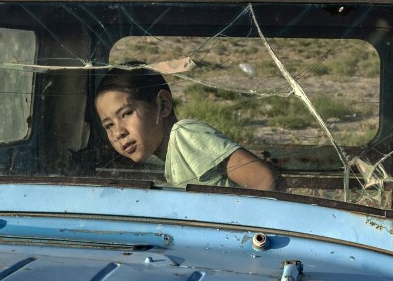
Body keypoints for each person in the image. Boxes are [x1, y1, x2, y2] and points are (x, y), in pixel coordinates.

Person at [93, 65, 280, 191]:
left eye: (126, 114)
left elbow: (265, 179)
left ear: (163, 105)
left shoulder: (184, 134)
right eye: (109, 125)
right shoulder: (165, 155)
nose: (118, 132)